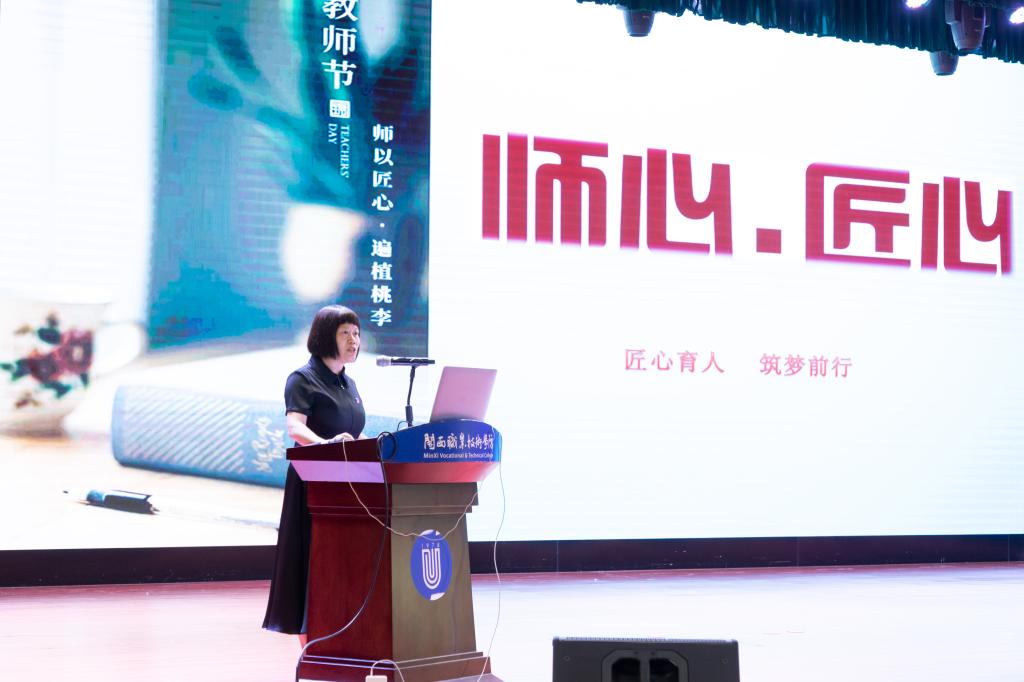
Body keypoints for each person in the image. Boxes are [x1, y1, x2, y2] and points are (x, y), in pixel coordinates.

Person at [263, 304, 366, 639]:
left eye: (356, 333)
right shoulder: (303, 379)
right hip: (313, 483)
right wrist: (327, 445)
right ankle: (310, 649)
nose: (353, 340)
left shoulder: (348, 384)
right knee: (310, 565)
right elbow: (295, 427)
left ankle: (338, 641)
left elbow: (353, 433)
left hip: (346, 485)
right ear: (324, 337)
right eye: (345, 333)